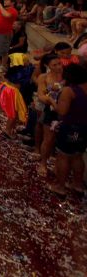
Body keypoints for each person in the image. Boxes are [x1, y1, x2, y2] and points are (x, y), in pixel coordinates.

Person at [49, 62, 87, 197]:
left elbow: (62, 111)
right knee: (78, 155)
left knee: (63, 156)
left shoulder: (69, 90)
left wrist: (53, 101)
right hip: (85, 127)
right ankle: (78, 184)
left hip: (71, 126)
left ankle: (60, 186)